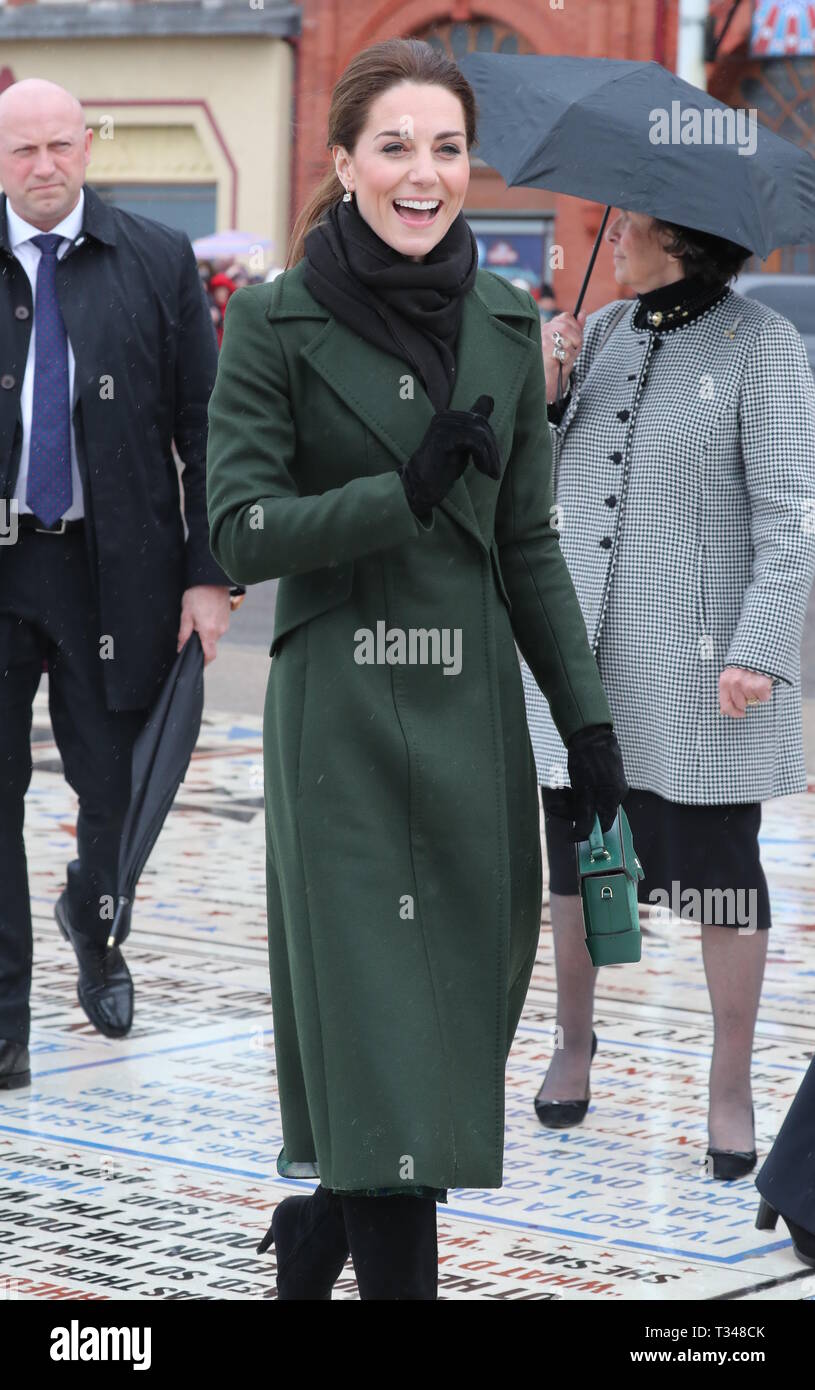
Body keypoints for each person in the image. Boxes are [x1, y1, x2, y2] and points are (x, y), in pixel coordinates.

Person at [206, 37, 628, 1300]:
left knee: (439, 1045)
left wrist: (591, 734)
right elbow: (239, 530)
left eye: (444, 147)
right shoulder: (272, 321)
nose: (422, 172)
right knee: (386, 1045)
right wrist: (398, 494)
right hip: (338, 716)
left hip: (471, 729)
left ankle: (315, 1232)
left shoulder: (506, 327)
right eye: (393, 145)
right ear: (342, 164)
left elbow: (531, 549)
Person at [521, 208, 815, 1179]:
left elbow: (792, 516)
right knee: (576, 849)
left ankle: (727, 1087)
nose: (610, 242)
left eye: (628, 229)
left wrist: (758, 650)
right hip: (578, 657)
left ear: (682, 241)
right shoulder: (596, 330)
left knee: (716, 869)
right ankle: (573, 1040)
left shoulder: (762, 347)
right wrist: (546, 388)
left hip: (699, 673)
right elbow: (529, 484)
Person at [0, 79, 235, 1090]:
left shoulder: (155, 258)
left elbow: (208, 427)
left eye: (61, 145)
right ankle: (6, 1010)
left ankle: (97, 925)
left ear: (89, 145)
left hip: (118, 572)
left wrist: (208, 574)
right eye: (23, 151)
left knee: (114, 788)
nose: (45, 166)